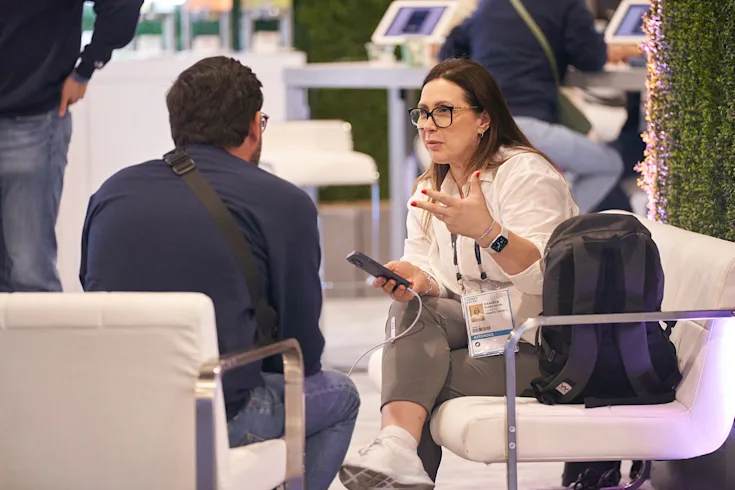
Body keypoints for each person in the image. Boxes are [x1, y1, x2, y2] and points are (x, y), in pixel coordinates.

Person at [80, 56, 359, 490]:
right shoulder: (283, 202)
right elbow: (303, 352)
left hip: (115, 412)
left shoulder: (111, 193)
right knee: (341, 396)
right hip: (218, 412)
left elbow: (93, 295)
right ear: (254, 126)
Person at [339, 58, 578, 489]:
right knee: (414, 308)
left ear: (484, 119)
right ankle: (398, 450)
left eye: (444, 112)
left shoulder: (525, 175)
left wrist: (489, 233)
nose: (428, 125)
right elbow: (429, 268)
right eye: (422, 113)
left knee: (415, 379)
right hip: (482, 328)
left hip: (541, 344)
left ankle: (397, 450)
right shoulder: (430, 187)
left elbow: (548, 280)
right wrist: (419, 279)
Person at [438, 0, 638, 214]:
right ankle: (559, 225)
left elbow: (448, 52)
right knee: (608, 164)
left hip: (483, 127)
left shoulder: (488, 6)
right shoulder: (565, 5)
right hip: (529, 126)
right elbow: (591, 58)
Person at [0, 0, 143, 292]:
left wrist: (89, 65)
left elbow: (122, 5)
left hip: (29, 115)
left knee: (28, 271)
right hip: (28, 109)